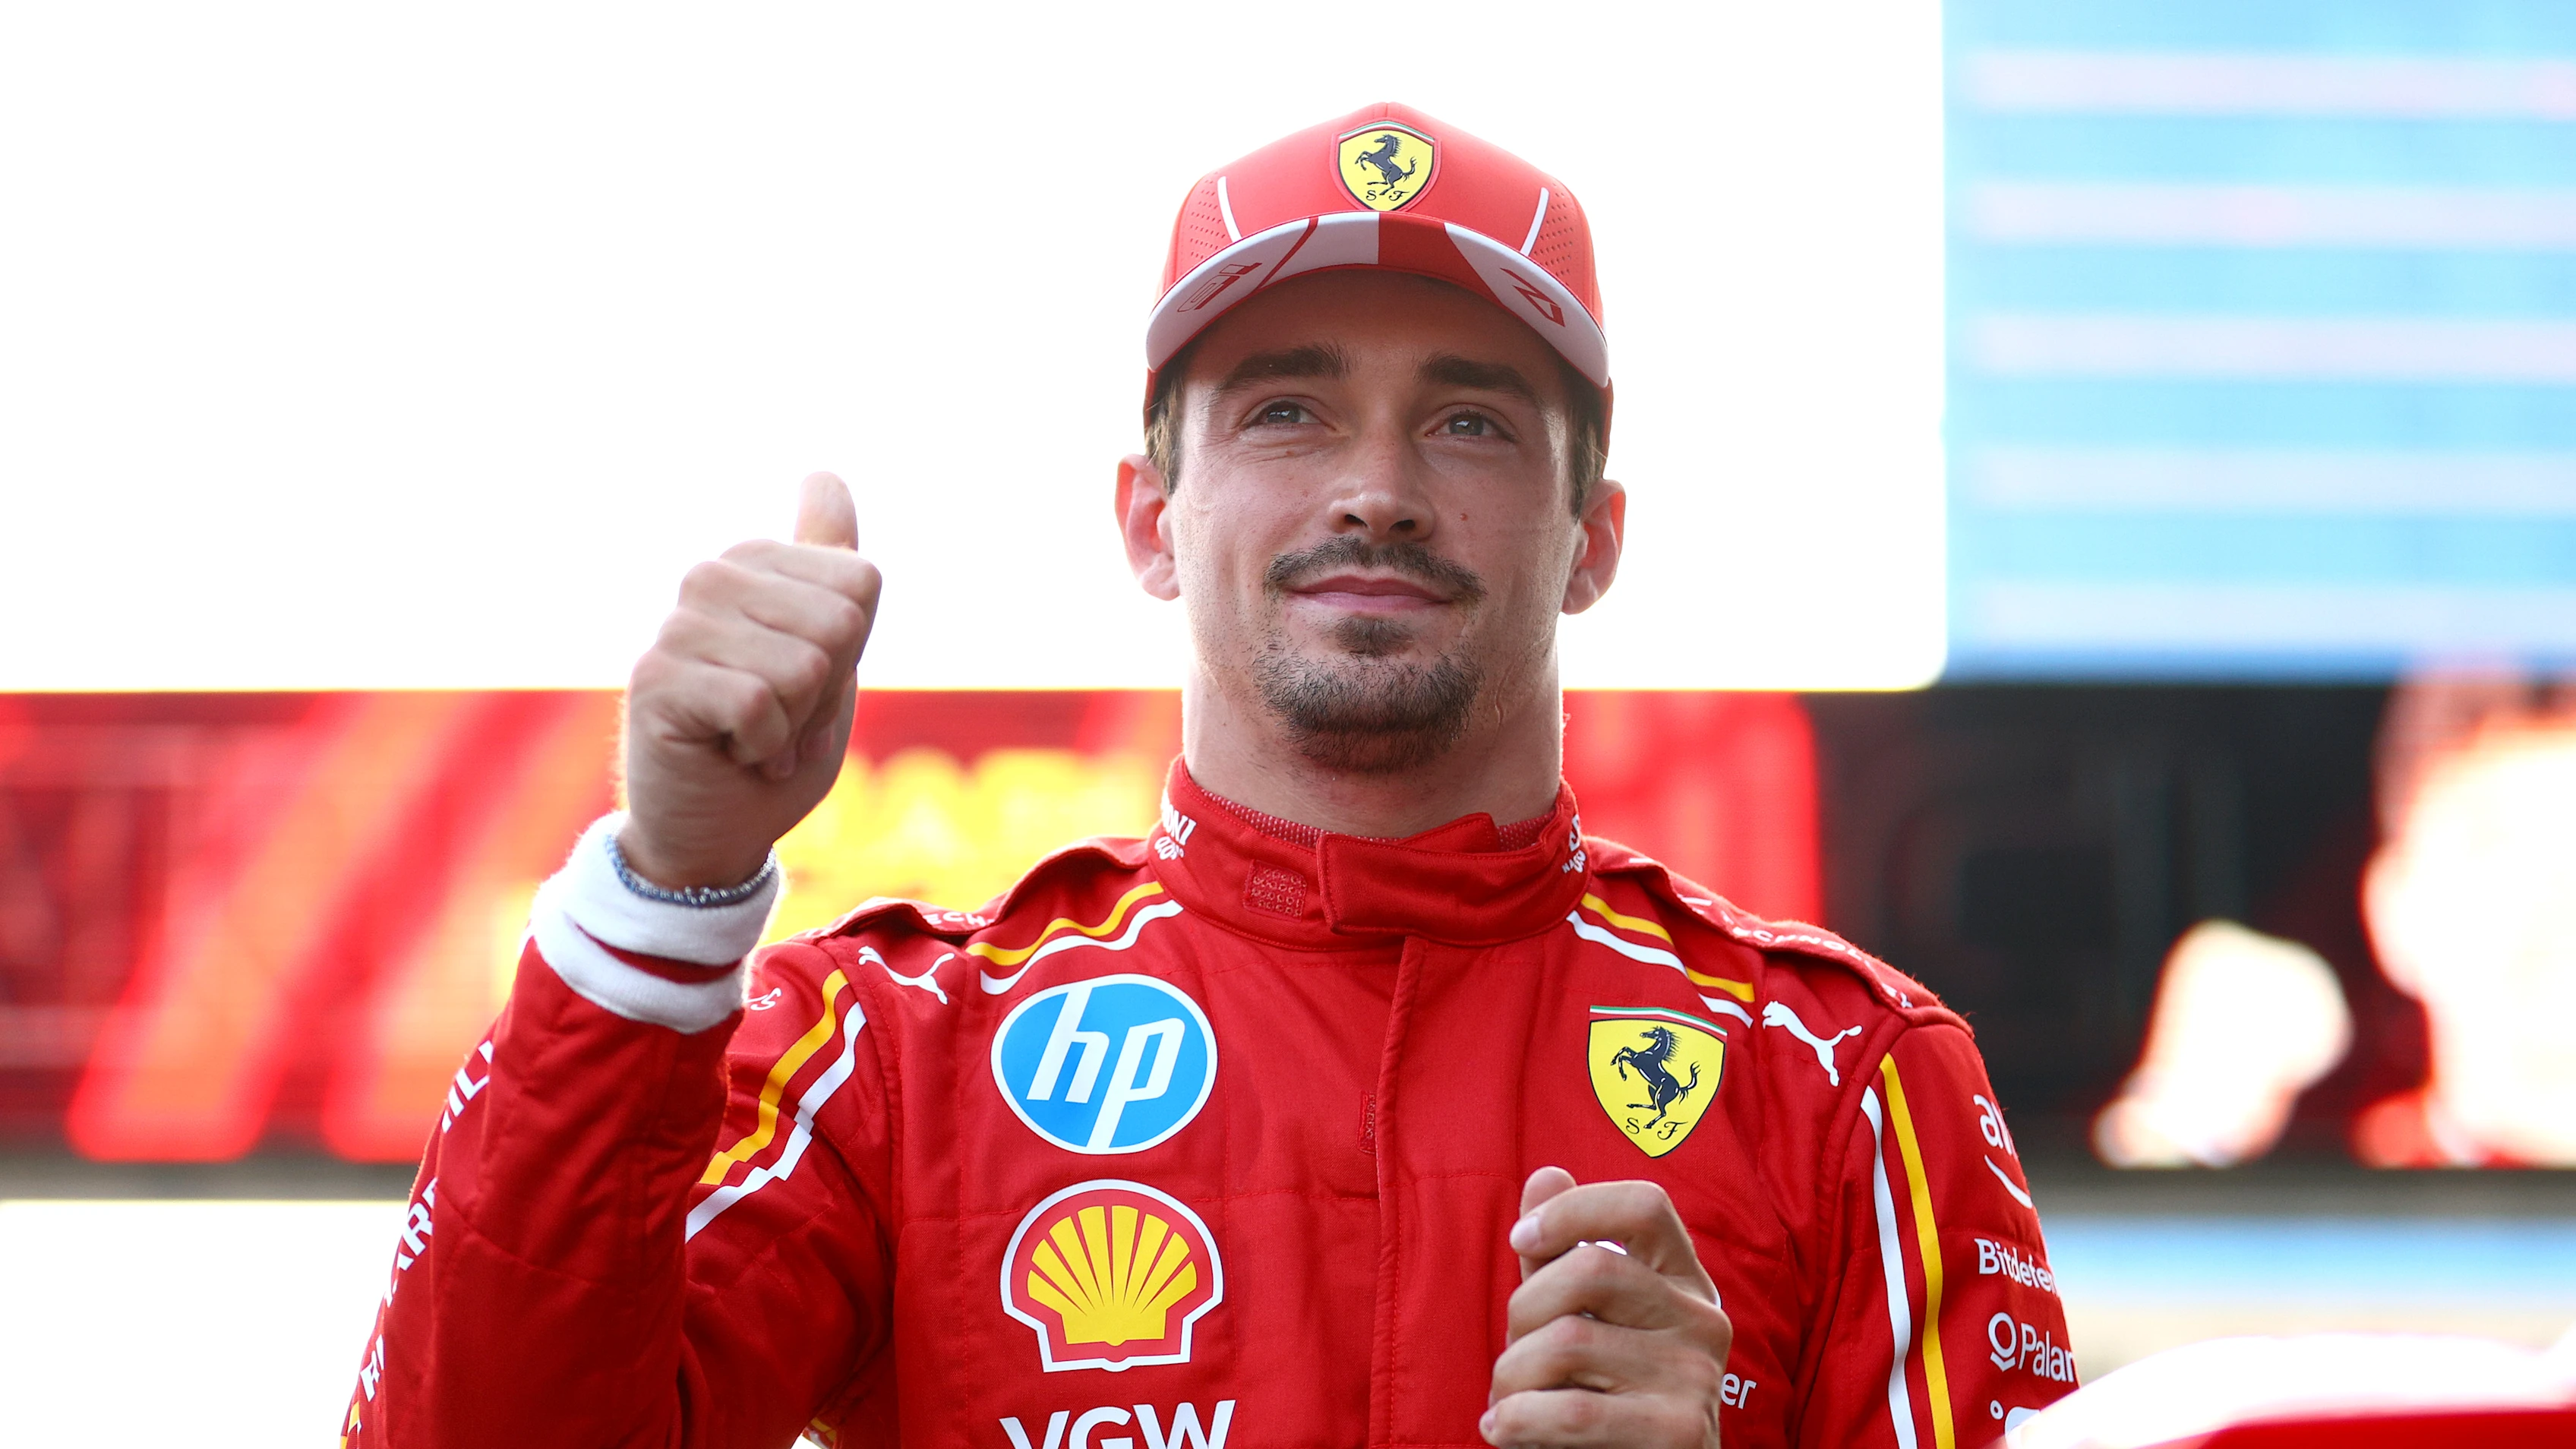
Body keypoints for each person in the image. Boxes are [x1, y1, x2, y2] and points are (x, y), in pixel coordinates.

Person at [343, 103, 2074, 1449]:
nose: (1377, 486)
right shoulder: (890, 1048)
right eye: (1285, 411)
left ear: (1593, 538)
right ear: (1148, 522)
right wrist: (669, 888)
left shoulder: (1847, 1081)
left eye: (1469, 419)